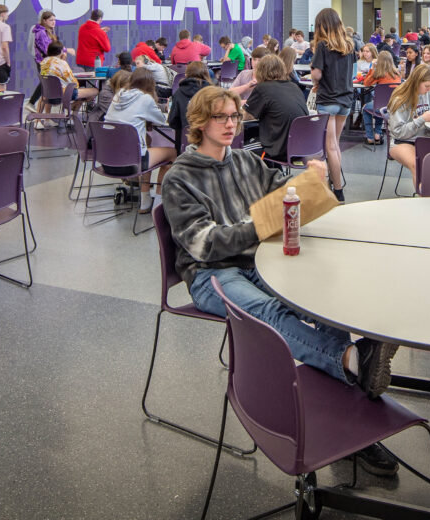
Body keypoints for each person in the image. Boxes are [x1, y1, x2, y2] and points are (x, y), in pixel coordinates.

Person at [160, 86, 401, 430]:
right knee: (268, 311)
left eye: (234, 116)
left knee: (312, 296)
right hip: (209, 275)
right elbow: (203, 244)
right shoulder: (180, 178)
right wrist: (261, 224)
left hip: (253, 260)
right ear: (200, 122)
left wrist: (307, 180)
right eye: (220, 117)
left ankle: (356, 378)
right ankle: (352, 360)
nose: (230, 124)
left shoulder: (243, 160)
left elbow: (279, 186)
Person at [105, 66, 176, 212]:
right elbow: (162, 120)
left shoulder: (118, 95)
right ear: (151, 84)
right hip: (131, 163)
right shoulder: (145, 99)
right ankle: (157, 203)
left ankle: (145, 201)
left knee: (146, 145)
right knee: (172, 153)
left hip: (107, 161)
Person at [310, 7, 356, 203]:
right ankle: (335, 183)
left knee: (330, 147)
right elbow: (352, 74)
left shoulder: (322, 46)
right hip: (346, 100)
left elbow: (316, 74)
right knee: (336, 145)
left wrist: (315, 82)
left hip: (328, 99)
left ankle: (338, 191)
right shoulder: (349, 45)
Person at [245, 54, 310, 165]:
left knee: (238, 149)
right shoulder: (294, 87)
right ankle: (274, 177)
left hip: (278, 150)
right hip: (301, 149)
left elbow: (246, 115)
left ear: (260, 71)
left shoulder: (263, 88)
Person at [386, 64, 430, 182]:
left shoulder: (427, 94)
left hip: (423, 139)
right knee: (417, 164)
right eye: (427, 86)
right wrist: (422, 119)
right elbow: (398, 132)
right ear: (416, 82)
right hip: (402, 141)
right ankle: (423, 198)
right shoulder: (400, 100)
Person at [166, 61, 214, 152]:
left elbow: (172, 122)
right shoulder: (213, 92)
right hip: (209, 143)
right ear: (206, 73)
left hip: (185, 146)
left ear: (186, 74)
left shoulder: (178, 93)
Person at [30, 10, 71, 109]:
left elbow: (54, 47)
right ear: (44, 21)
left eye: (54, 20)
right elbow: (48, 49)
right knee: (45, 85)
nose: (54, 22)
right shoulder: (41, 33)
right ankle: (31, 104)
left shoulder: (50, 31)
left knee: (48, 88)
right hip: (43, 62)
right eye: (51, 20)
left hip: (49, 62)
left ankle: (47, 117)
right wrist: (64, 50)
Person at [360, 51, 401, 145]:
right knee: (380, 106)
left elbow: (366, 83)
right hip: (393, 105)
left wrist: (372, 68)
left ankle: (370, 137)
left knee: (367, 108)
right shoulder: (397, 73)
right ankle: (377, 134)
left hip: (381, 106)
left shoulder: (378, 74)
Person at [37, 41, 81, 115]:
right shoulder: (62, 63)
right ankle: (73, 115)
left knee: (45, 94)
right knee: (94, 91)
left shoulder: (44, 62)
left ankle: (45, 120)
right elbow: (72, 81)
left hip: (48, 93)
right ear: (61, 51)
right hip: (62, 93)